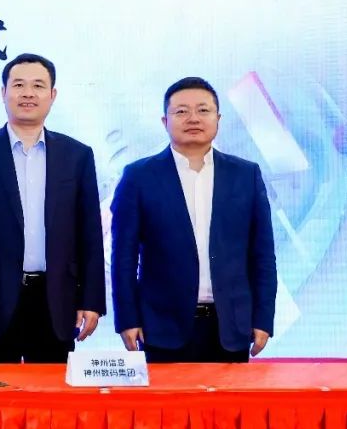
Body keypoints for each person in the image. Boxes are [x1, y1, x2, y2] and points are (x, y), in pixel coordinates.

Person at [0, 53, 105, 363]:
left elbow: (90, 235)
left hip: (56, 301)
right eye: (18, 85)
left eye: (38, 85)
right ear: (3, 92)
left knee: (51, 392)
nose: (28, 93)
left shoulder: (77, 155)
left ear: (52, 95)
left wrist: (92, 300)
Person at [111, 77, 277, 362]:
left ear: (218, 118)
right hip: (161, 326)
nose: (193, 119)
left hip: (231, 327)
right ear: (165, 121)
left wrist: (263, 318)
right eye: (181, 111)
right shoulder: (138, 177)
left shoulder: (245, 175)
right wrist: (127, 318)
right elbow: (124, 257)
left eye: (203, 110)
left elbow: (262, 254)